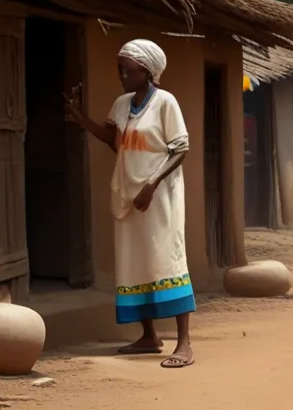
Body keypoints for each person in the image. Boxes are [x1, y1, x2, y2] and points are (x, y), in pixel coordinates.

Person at [64, 39, 195, 368]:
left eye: (127, 69)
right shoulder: (121, 105)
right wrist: (80, 118)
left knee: (168, 258)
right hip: (127, 194)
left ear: (146, 71)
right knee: (135, 261)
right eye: (119, 68)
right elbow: (114, 142)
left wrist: (152, 184)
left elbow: (180, 148)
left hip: (159, 195)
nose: (121, 74)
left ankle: (184, 344)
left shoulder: (165, 102)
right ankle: (149, 336)